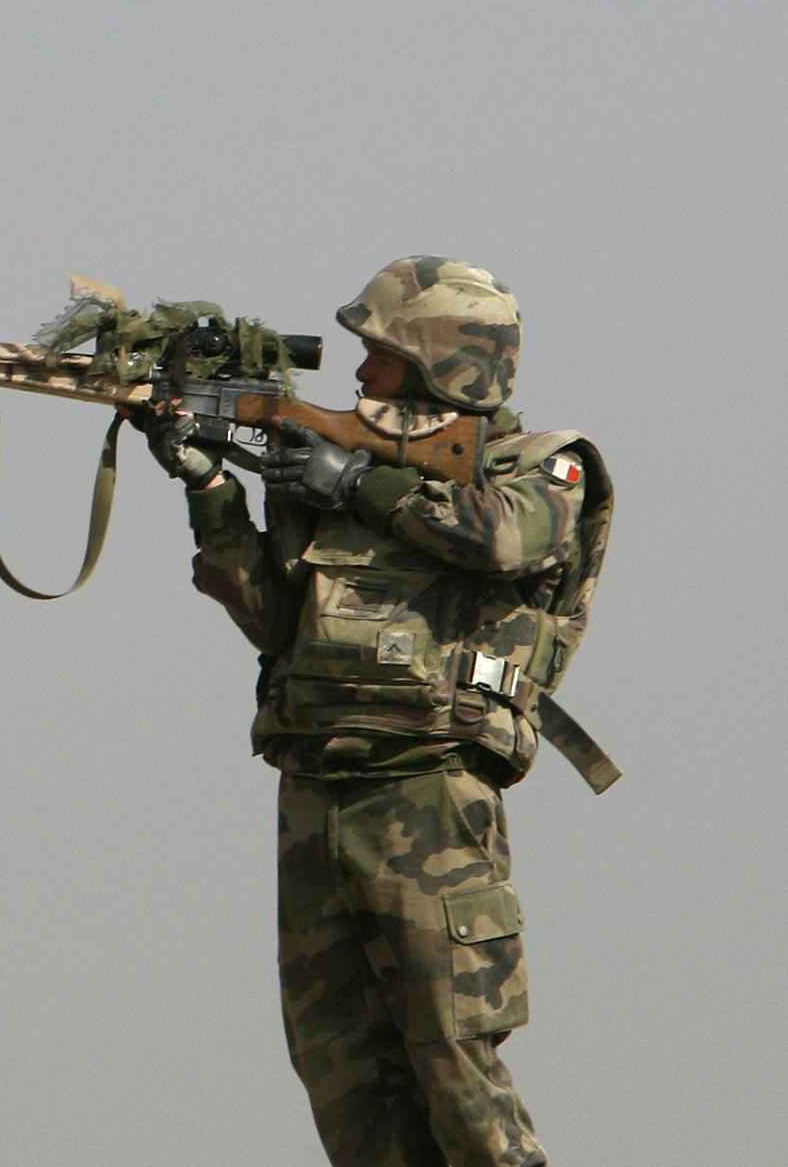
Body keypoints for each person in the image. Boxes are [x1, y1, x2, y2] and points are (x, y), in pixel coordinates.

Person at [142, 257, 614, 1167]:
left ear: (449, 366)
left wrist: (352, 481)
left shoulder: (540, 466)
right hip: (314, 789)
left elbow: (504, 537)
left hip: (427, 792)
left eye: (383, 358)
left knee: (453, 1066)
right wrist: (209, 490)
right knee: (345, 1076)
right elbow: (275, 621)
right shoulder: (328, 479)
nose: (359, 376)